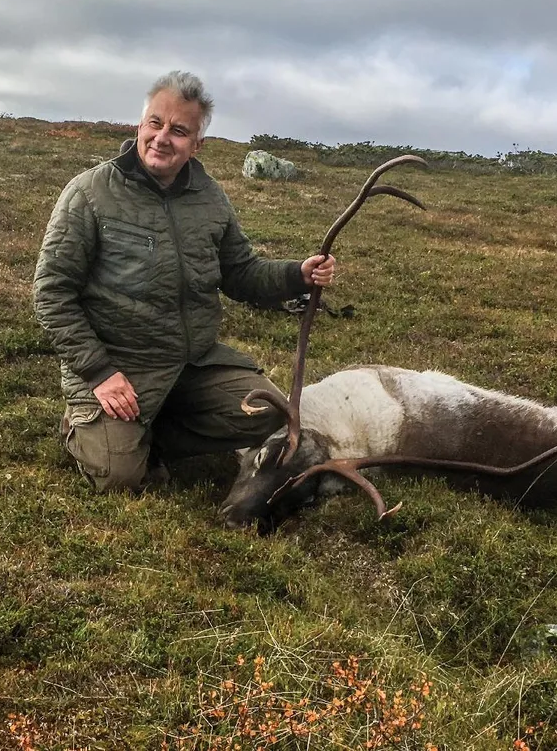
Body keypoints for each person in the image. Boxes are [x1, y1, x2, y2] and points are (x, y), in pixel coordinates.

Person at [33, 70, 336, 491]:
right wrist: (99, 371)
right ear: (140, 125)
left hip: (192, 363)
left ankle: (149, 434)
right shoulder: (89, 193)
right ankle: (88, 427)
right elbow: (51, 292)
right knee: (121, 480)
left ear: (197, 144)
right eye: (155, 123)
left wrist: (296, 275)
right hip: (121, 364)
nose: (162, 138)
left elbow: (240, 272)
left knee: (269, 412)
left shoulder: (209, 197)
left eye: (179, 131)